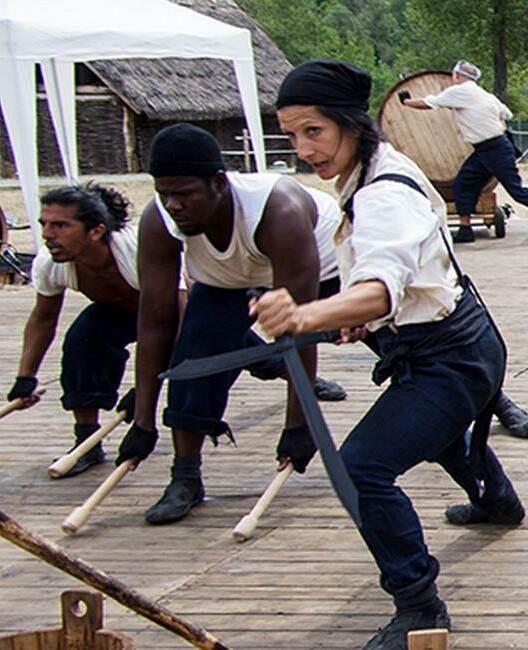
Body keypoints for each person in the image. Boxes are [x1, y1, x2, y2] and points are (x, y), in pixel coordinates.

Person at [259, 59, 526, 649]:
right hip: (456, 344)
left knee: (362, 467)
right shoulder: (371, 171)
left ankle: (419, 606)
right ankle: (498, 500)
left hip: (453, 357)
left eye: (314, 132)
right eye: (293, 135)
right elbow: (389, 292)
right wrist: (362, 320)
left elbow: (379, 285)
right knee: (426, 431)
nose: (304, 149)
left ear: (351, 125)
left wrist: (305, 315)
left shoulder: (382, 194)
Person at [128, 123, 352, 524]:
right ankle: (185, 476)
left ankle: (487, 399)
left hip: (324, 264)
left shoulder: (278, 209)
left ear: (219, 182)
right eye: (165, 194)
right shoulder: (160, 219)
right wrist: (144, 419)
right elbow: (156, 322)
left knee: (403, 344)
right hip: (228, 278)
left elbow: (296, 329)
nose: (173, 205)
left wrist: (300, 425)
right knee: (193, 356)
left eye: (184, 194)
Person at [12, 184, 141, 478]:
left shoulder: (136, 251)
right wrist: (25, 376)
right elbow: (43, 319)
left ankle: (267, 363)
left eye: (60, 225)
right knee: (83, 338)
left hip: (184, 314)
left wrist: (147, 389)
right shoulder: (50, 262)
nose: (47, 234)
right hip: (119, 313)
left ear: (95, 231)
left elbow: (173, 320)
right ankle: (87, 442)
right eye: (44, 224)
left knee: (254, 360)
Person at [398, 59, 528, 244]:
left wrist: (407, 101)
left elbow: (430, 103)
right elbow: (507, 113)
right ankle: (465, 229)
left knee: (517, 191)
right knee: (463, 184)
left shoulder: (460, 91)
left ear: (457, 75)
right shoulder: (485, 95)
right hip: (486, 149)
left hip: (495, 149)